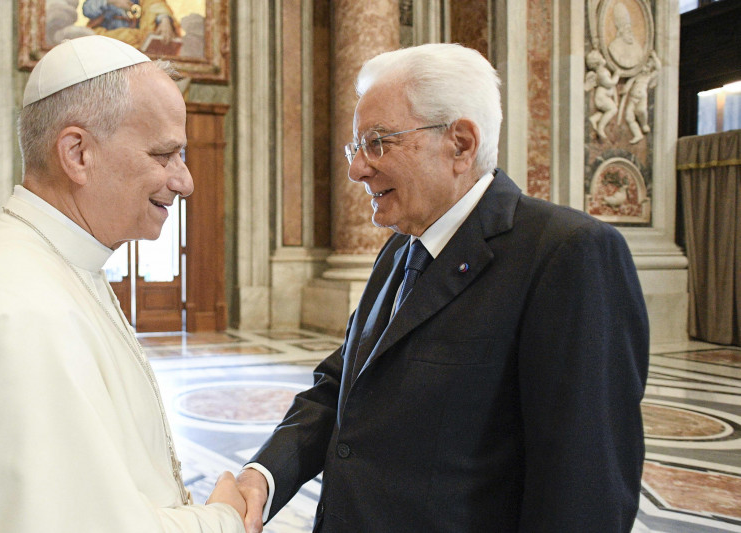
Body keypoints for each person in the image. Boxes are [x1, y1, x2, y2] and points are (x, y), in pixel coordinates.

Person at [236, 43, 649, 533]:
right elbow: (343, 385)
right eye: (357, 147)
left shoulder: (567, 253)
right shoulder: (400, 248)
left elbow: (586, 489)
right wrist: (265, 475)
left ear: (461, 144)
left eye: (378, 142)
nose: (356, 168)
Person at [0, 36, 245, 532]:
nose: (184, 181)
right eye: (165, 155)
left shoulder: (52, 264)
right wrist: (225, 518)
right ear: (77, 153)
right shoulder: (27, 312)